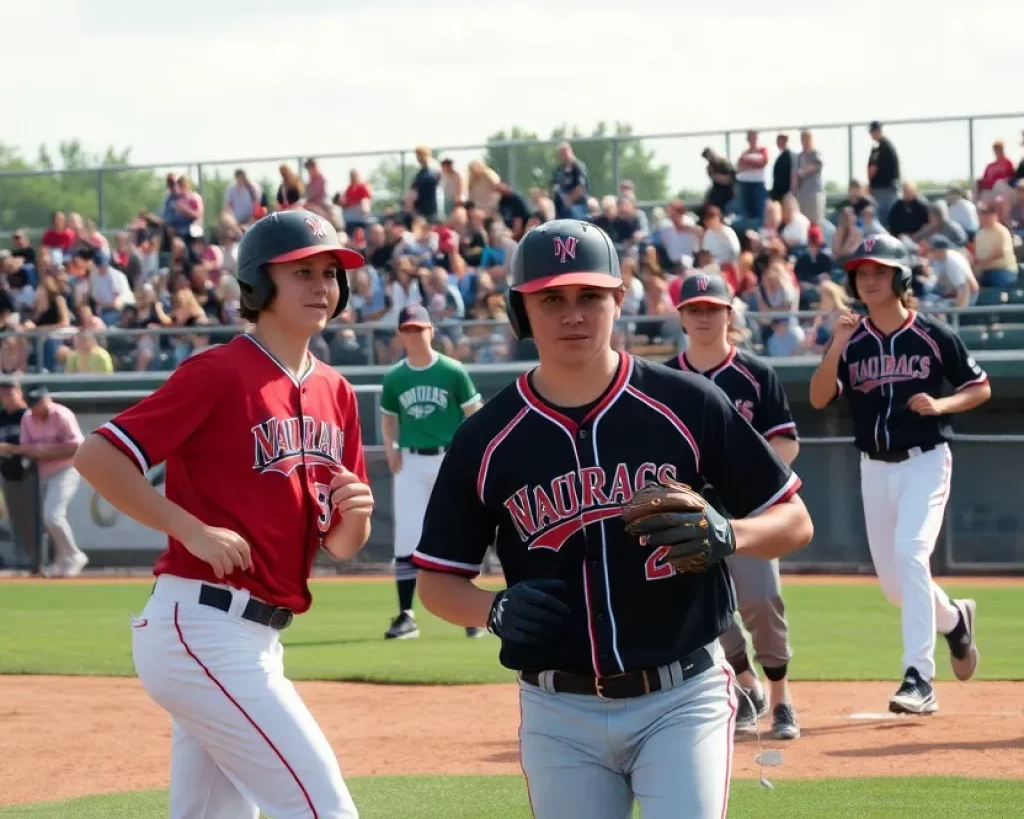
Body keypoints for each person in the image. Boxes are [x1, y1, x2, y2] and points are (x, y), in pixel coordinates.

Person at [413, 219, 813, 819]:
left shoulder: (688, 403)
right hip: (558, 712)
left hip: (683, 696)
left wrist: (733, 534)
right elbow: (437, 583)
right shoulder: (486, 438)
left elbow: (794, 520)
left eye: (589, 296)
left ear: (618, 301)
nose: (573, 314)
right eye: (552, 299)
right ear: (523, 309)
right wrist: (491, 609)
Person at [73, 209, 372, 819]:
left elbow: (342, 546)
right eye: (303, 272)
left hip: (256, 635)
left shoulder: (336, 392)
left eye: (330, 273)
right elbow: (97, 455)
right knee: (324, 809)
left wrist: (356, 513)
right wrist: (188, 527)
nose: (322, 285)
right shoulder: (219, 372)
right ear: (258, 286)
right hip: (201, 623)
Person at [809, 233, 987, 715]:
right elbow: (819, 397)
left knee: (912, 554)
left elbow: (979, 386)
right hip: (873, 468)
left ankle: (918, 678)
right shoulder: (852, 338)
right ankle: (954, 620)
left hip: (925, 461)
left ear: (900, 277)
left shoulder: (930, 334)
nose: (868, 280)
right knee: (895, 585)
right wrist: (836, 345)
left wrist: (944, 403)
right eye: (861, 273)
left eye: (879, 271)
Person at [664, 273, 802, 740]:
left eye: (712, 308)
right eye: (695, 309)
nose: (704, 317)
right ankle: (747, 688)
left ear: (729, 313)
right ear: (682, 316)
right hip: (692, 514)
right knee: (710, 613)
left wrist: (757, 485)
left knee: (762, 602)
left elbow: (784, 443)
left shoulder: (756, 373)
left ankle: (781, 700)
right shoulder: (665, 379)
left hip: (748, 512)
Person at [379, 305, 483, 640]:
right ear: (400, 334)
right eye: (408, 329)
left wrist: (469, 455)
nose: (414, 334)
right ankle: (406, 615)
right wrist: (390, 447)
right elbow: (389, 416)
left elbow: (474, 413)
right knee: (407, 537)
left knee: (459, 534)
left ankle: (470, 614)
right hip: (410, 461)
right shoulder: (396, 376)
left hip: (447, 460)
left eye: (420, 328)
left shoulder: (452, 370)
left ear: (432, 331)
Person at [0, 387, 86, 577]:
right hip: (43, 473)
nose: (36, 407)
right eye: (33, 404)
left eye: (39, 402)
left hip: (66, 470)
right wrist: (15, 449)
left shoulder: (61, 414)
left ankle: (74, 555)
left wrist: (45, 452)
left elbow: (78, 446)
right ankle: (62, 560)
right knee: (48, 520)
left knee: (52, 515)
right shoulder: (28, 418)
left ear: (47, 399)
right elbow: (26, 447)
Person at [0, 379, 36, 570]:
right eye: (3, 394)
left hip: (31, 472)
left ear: (19, 392)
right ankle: (22, 557)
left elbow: (36, 445)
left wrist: (12, 448)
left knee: (33, 517)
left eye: (10, 393)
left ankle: (37, 556)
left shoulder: (28, 415)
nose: (6, 398)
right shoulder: (2, 417)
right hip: (9, 473)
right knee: (15, 518)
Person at [972, 202, 1019, 289]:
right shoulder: (979, 234)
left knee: (996, 285)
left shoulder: (1002, 232)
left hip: (1003, 271)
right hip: (984, 272)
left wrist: (982, 262)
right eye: (982, 214)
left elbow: (1000, 253)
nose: (984, 217)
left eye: (988, 214)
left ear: (995, 216)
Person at [866, 122, 900, 225]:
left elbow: (875, 169)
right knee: (881, 218)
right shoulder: (877, 147)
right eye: (871, 131)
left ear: (879, 131)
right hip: (879, 188)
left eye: (874, 131)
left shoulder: (885, 147)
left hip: (885, 188)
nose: (872, 134)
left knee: (884, 219)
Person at [735, 130, 769, 223]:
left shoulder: (762, 150)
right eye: (750, 137)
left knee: (759, 211)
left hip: (758, 184)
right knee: (745, 212)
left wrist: (747, 163)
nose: (752, 139)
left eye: (754, 137)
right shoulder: (744, 152)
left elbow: (762, 163)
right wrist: (752, 164)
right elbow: (739, 168)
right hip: (744, 184)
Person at [550, 142, 590, 220]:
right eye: (560, 154)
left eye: (565, 152)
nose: (563, 156)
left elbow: (581, 186)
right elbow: (554, 186)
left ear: (570, 151)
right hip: (561, 208)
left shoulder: (578, 166)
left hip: (576, 206)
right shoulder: (559, 170)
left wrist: (569, 200)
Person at [794, 130, 825, 224]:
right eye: (803, 138)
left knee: (815, 221)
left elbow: (818, 165)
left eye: (807, 138)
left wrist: (804, 171)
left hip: (814, 192)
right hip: (802, 194)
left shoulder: (815, 153)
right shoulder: (799, 156)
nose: (805, 141)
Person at [408, 145, 442, 222]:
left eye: (421, 155)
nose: (419, 158)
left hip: (431, 209)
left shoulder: (434, 171)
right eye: (418, 155)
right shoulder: (420, 174)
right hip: (420, 210)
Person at [770, 133, 795, 203]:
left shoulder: (787, 156)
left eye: (779, 141)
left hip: (783, 192)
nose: (777, 143)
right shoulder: (782, 156)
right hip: (779, 191)